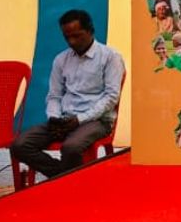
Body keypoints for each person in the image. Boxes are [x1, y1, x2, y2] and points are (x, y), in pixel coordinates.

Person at [10, 10, 125, 181]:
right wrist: (54, 118)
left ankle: (66, 180)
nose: (72, 41)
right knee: (19, 145)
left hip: (97, 120)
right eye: (67, 37)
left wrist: (79, 120)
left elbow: (111, 97)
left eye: (77, 36)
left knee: (71, 147)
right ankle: (64, 178)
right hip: (64, 119)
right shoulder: (61, 59)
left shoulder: (110, 57)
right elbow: (54, 96)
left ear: (90, 31)